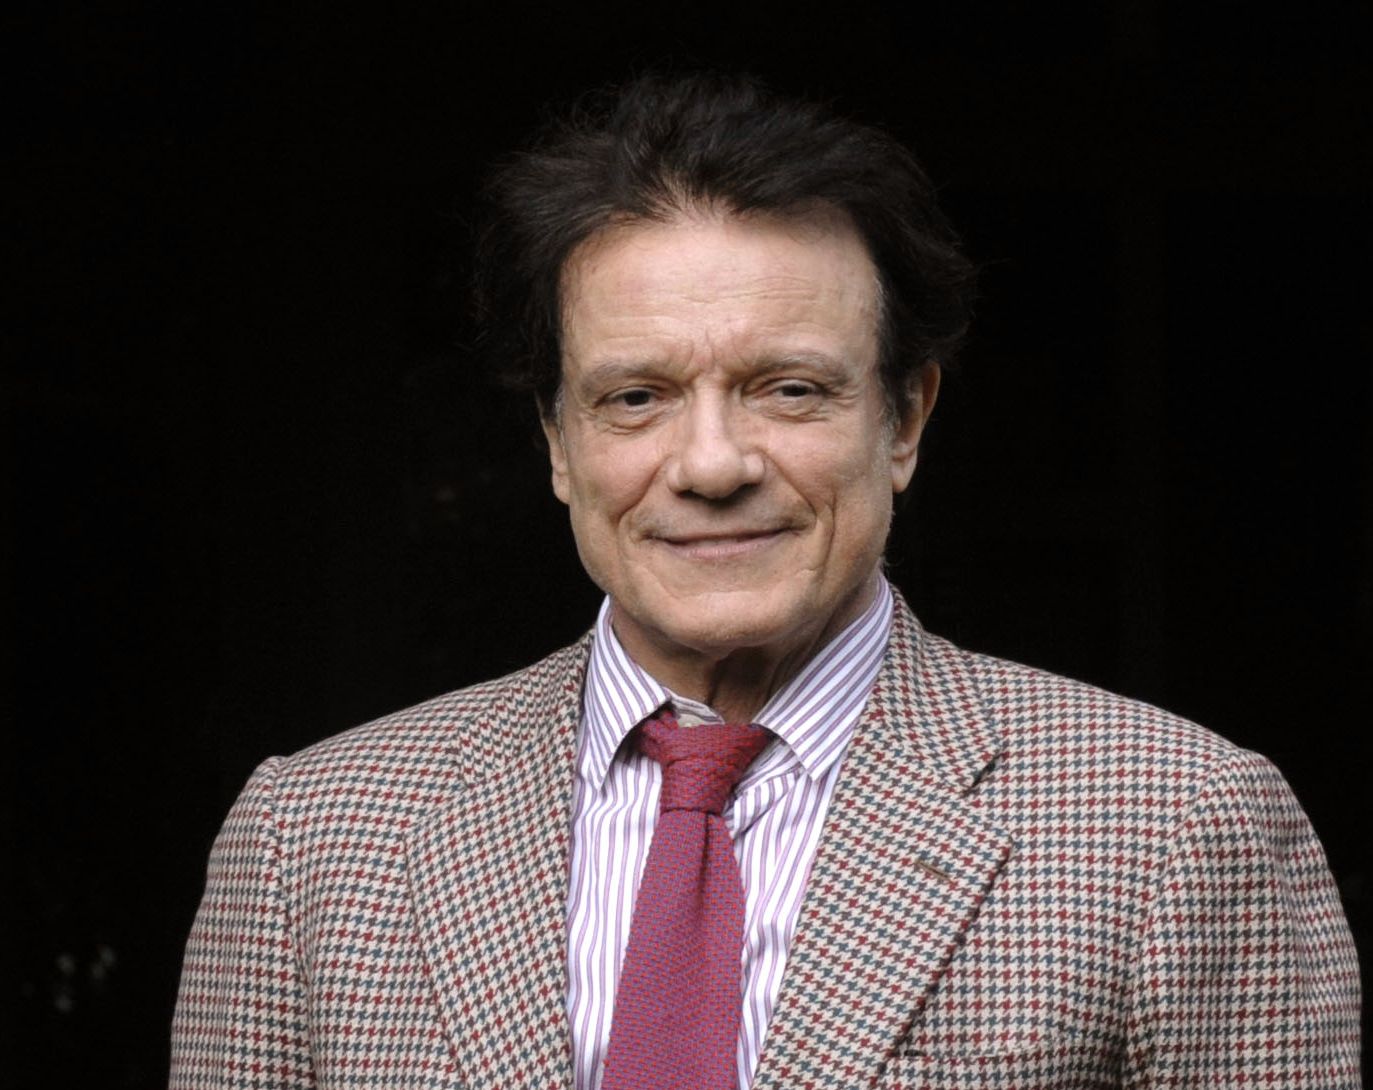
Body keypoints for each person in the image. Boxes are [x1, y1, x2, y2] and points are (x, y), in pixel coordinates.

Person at [171, 72, 1360, 1090]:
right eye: (635, 397)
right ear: (556, 441)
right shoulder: (314, 839)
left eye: (787, 389)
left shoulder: (1173, 826)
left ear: (903, 418)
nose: (710, 465)